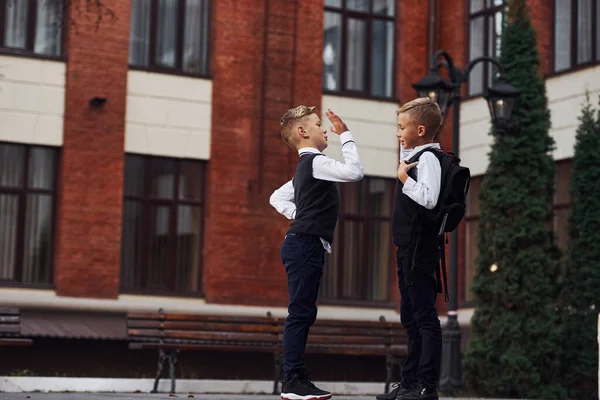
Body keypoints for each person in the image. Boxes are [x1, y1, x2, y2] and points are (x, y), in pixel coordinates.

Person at [269, 105, 364, 400]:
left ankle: (297, 378)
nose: (325, 129)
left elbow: (277, 197)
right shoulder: (314, 162)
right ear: (303, 132)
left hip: (304, 243)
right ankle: (293, 382)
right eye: (318, 124)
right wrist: (346, 135)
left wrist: (300, 212)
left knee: (303, 312)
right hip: (304, 244)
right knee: (300, 313)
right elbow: (355, 172)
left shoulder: (306, 167)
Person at [377, 97, 443, 400]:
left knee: (424, 317)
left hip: (420, 249)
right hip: (408, 247)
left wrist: (404, 179)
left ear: (420, 129)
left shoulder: (429, 158)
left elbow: (429, 198)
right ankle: (409, 383)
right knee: (410, 317)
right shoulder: (418, 155)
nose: (397, 133)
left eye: (401, 127)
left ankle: (427, 386)